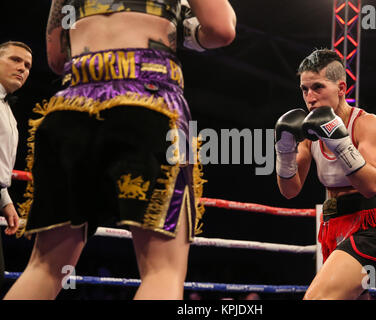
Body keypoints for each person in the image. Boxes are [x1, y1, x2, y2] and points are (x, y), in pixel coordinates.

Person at [4, 0, 235, 300]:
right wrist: (183, 27)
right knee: (161, 272)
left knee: (45, 268)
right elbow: (221, 29)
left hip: (69, 105)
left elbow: (58, 56)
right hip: (147, 98)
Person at [274, 48, 376, 300]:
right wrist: (284, 152)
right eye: (304, 89)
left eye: (317, 87)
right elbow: (290, 190)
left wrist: (339, 142)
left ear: (341, 88)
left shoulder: (367, 124)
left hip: (371, 230)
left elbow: (371, 185)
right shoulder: (309, 135)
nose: (310, 97)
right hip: (335, 229)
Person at [0, 41, 31, 287]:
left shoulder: (7, 109)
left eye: (27, 65)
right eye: (15, 60)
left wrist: (5, 200)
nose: (22, 68)